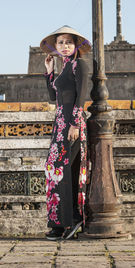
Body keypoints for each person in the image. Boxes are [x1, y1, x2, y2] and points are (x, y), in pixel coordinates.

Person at [40, 25, 91, 240]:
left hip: (71, 123)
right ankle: (61, 221)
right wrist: (49, 72)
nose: (64, 46)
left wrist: (74, 123)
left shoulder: (79, 65)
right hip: (60, 123)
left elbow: (82, 95)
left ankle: (67, 220)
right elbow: (53, 96)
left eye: (68, 42)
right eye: (60, 42)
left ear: (76, 45)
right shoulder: (64, 67)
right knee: (56, 170)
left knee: (61, 170)